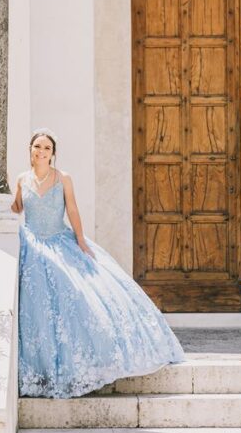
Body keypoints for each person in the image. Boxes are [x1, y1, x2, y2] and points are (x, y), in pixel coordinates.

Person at [11, 130, 184, 398]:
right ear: (30, 150)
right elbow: (16, 208)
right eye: (37, 146)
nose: (41, 151)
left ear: (53, 153)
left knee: (79, 299)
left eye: (46, 148)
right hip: (33, 247)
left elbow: (73, 210)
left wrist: (80, 240)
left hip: (59, 240)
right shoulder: (22, 179)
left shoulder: (63, 178)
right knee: (37, 308)